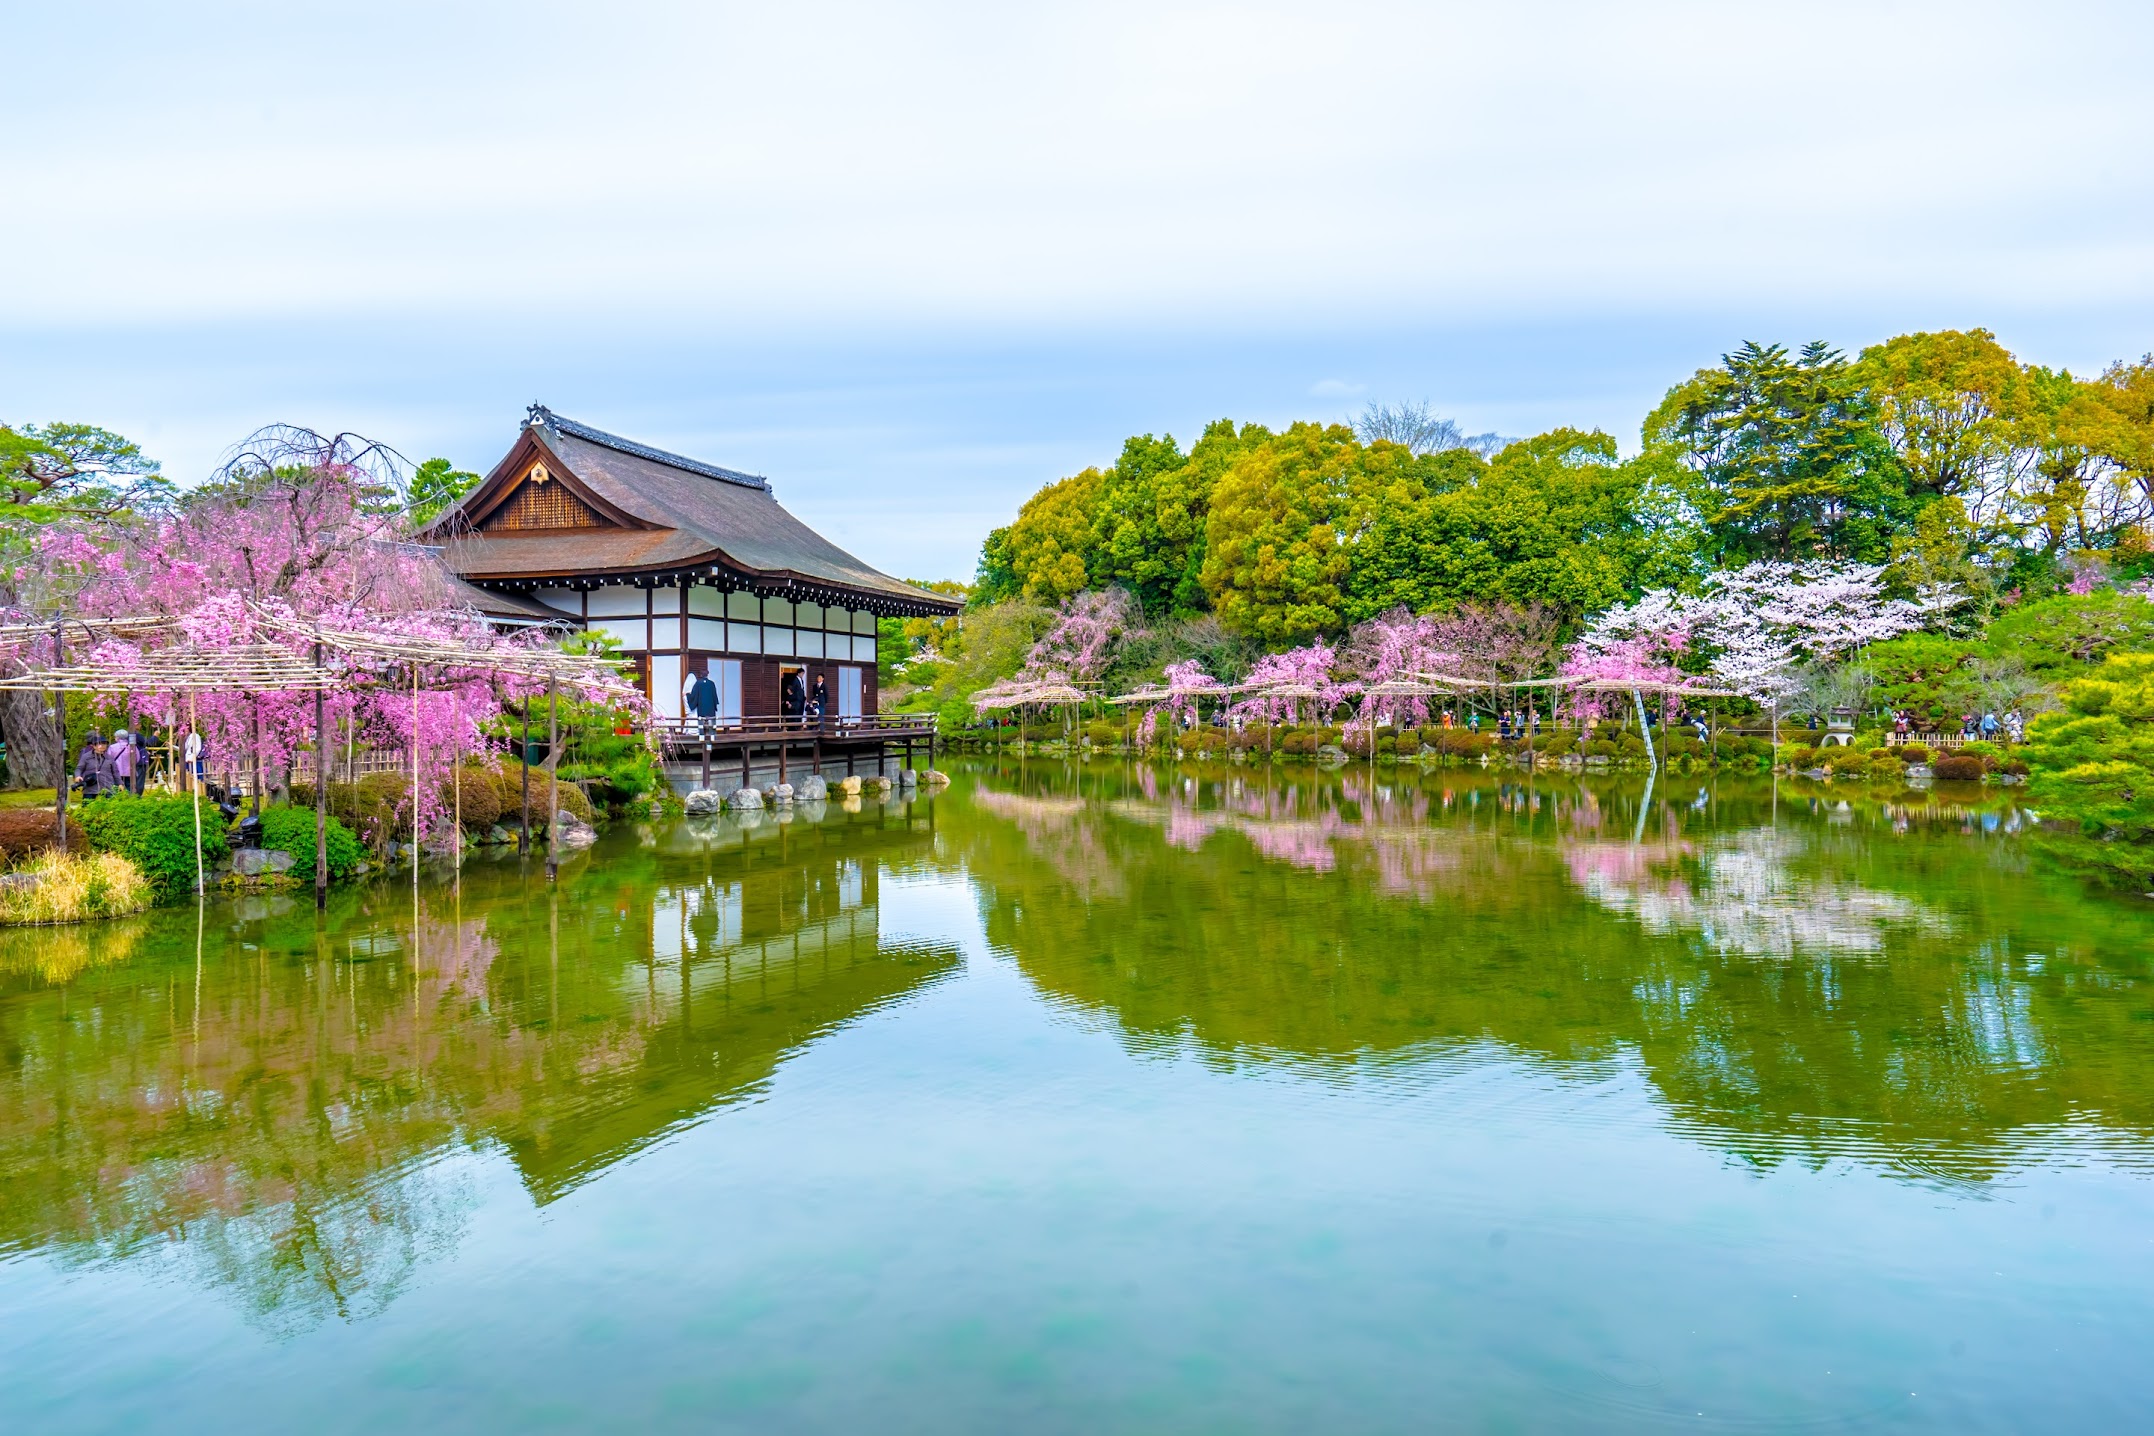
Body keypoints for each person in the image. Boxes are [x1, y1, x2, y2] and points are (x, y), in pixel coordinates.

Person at [74, 730, 117, 800]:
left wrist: (120, 783)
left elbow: (115, 772)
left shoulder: (109, 758)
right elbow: (79, 768)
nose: (102, 746)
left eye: (104, 744)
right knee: (87, 806)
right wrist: (78, 776)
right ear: (93, 746)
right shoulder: (86, 756)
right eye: (99, 744)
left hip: (107, 785)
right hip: (91, 784)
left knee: (110, 807)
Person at [688, 667, 719, 739]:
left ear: (701, 675)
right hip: (710, 707)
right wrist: (715, 704)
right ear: (707, 675)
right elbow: (714, 695)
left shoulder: (698, 683)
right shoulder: (712, 683)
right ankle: (713, 736)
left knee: (701, 721)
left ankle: (701, 736)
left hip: (701, 707)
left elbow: (693, 695)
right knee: (711, 721)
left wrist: (687, 695)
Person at [110, 729, 138, 794]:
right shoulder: (132, 747)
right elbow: (137, 758)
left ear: (117, 737)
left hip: (116, 772)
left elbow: (109, 759)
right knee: (129, 789)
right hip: (130, 772)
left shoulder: (112, 747)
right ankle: (129, 802)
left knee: (116, 790)